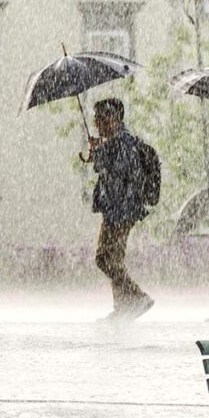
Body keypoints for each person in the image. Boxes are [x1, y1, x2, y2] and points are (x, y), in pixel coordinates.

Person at [89, 98, 154, 321]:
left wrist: (99, 153)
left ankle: (137, 297)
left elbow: (118, 173)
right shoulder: (113, 142)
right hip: (114, 209)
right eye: (95, 118)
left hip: (122, 210)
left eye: (100, 118)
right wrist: (99, 152)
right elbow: (104, 170)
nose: (96, 123)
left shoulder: (123, 143)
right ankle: (122, 307)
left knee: (105, 259)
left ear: (113, 119)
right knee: (111, 258)